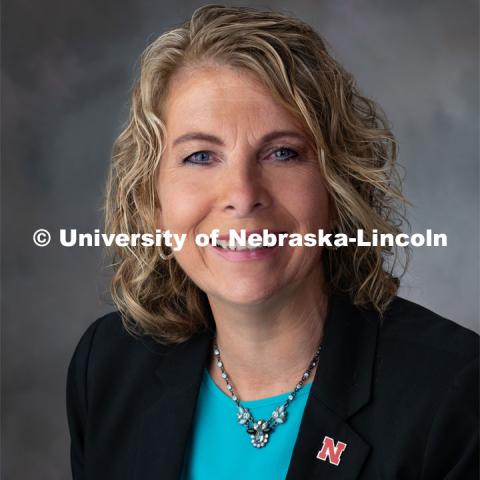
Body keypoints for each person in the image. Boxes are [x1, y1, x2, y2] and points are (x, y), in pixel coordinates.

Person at [66, 5, 479, 479]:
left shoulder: (454, 393)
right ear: (152, 197)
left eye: (283, 153)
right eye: (200, 156)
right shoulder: (108, 366)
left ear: (337, 183)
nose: (243, 196)